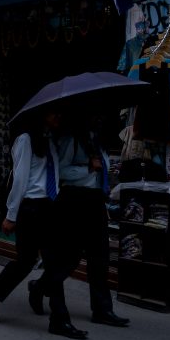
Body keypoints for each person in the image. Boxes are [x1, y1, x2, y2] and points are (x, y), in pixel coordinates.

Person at [0, 109, 88, 340]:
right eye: (53, 114)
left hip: (48, 207)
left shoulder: (49, 141)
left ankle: (59, 319)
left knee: (54, 263)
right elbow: (20, 179)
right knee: (25, 262)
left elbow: (54, 175)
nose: (58, 117)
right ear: (41, 116)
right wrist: (11, 215)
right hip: (30, 208)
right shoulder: (25, 140)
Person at [45, 118, 130, 328]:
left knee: (100, 255)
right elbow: (60, 171)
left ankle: (102, 309)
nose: (97, 121)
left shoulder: (97, 140)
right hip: (74, 198)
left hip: (95, 200)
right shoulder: (70, 140)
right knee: (71, 257)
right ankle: (42, 286)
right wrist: (89, 170)